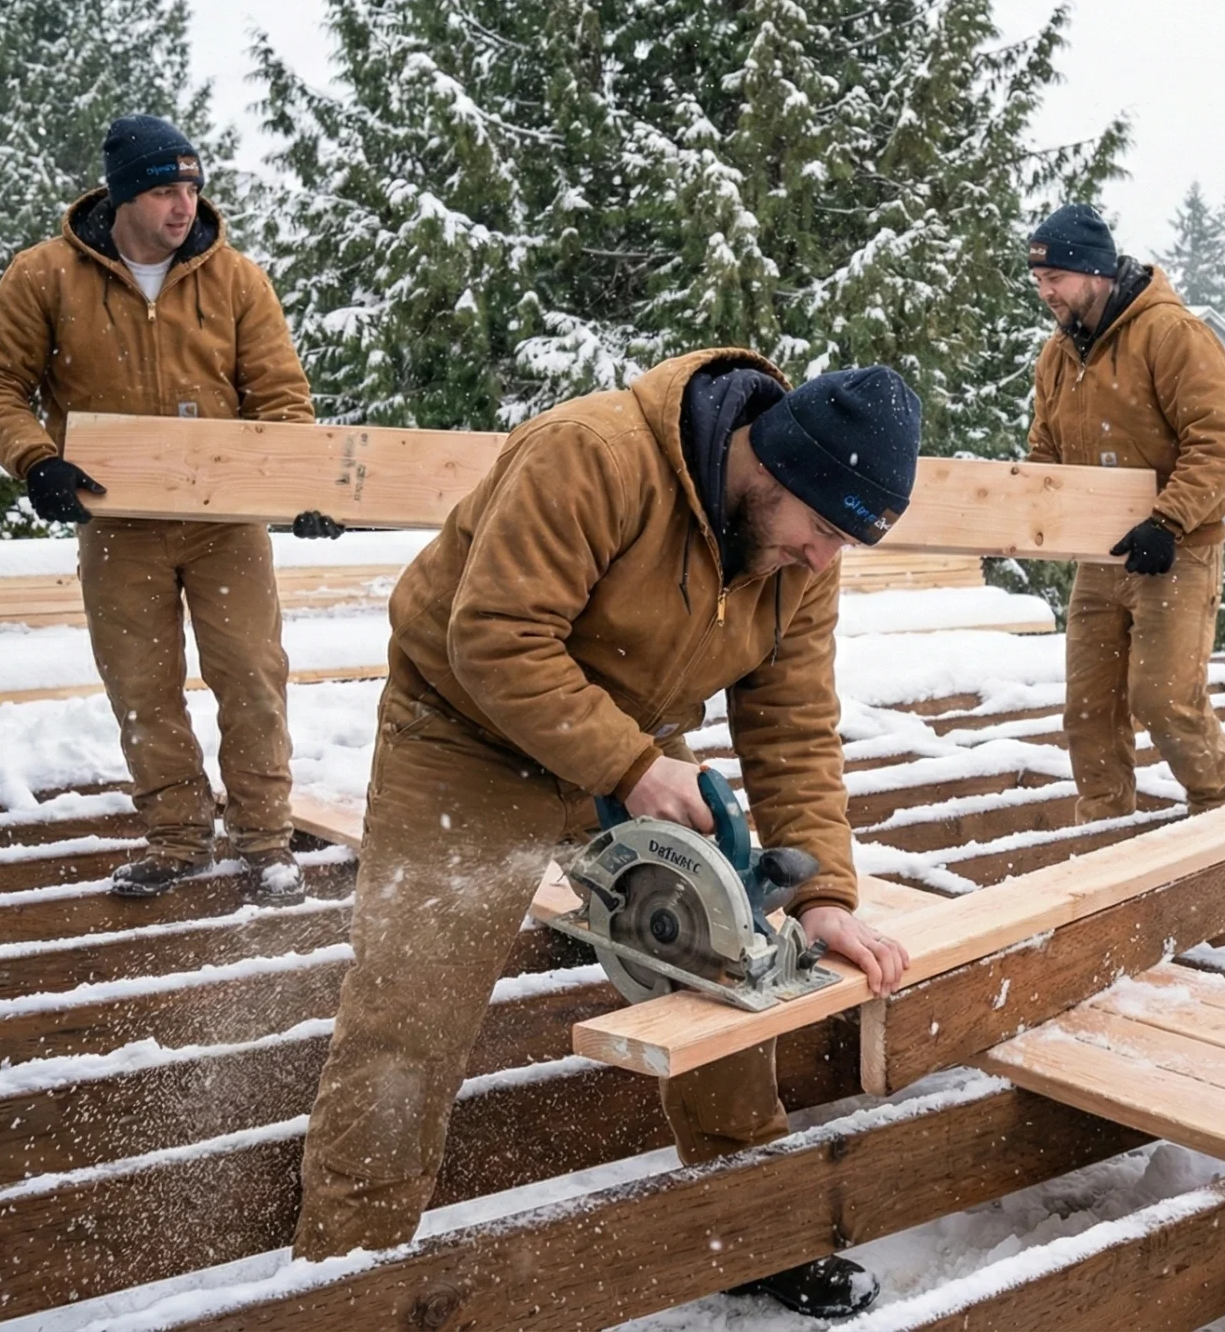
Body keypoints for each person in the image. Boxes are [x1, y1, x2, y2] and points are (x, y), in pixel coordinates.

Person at [291, 352, 918, 1319]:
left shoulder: (796, 553)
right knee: (409, 1009)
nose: (824, 559)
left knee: (731, 956)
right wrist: (632, 768)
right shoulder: (593, 456)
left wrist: (823, 893)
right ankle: (349, 1278)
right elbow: (495, 637)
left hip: (632, 732)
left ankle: (744, 1225)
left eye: (846, 544)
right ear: (773, 467)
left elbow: (791, 719)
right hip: (464, 732)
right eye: (823, 531)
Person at [0, 114, 329, 904]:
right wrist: (38, 459)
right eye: (165, 189)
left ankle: (266, 841)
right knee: (142, 686)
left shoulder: (237, 280)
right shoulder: (45, 276)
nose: (183, 205)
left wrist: (299, 485)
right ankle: (177, 837)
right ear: (123, 196)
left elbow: (281, 401)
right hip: (117, 524)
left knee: (254, 678)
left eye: (191, 187)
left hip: (224, 524)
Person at [1025, 203, 1225, 823]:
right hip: (1102, 554)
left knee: (1164, 699)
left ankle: (1220, 814)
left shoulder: (1173, 336)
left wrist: (1168, 520)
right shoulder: (1057, 356)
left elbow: (1221, 440)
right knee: (1089, 711)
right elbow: (1046, 453)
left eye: (1056, 279)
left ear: (1094, 272)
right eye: (1039, 281)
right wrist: (1025, 509)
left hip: (1177, 549)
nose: (1045, 292)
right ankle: (1104, 832)